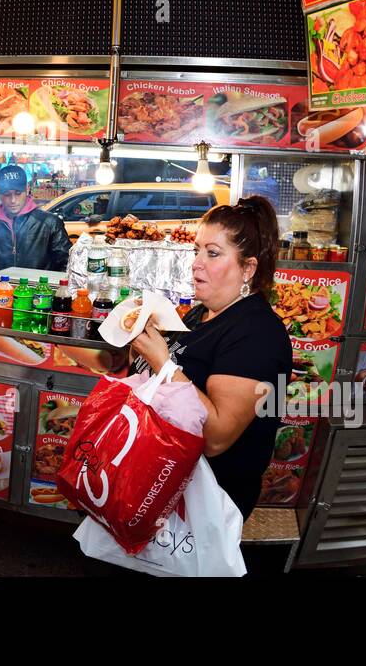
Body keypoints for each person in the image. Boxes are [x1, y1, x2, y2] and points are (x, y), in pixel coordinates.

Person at [128, 198, 292, 521]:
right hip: (161, 488)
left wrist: (163, 364)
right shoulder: (200, 313)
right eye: (197, 250)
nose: (196, 263)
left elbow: (216, 436)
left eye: (212, 253)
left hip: (206, 508)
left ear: (248, 268)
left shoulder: (257, 333)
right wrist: (141, 350)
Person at [0, 164, 72, 277]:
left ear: (27, 189)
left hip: (39, 293)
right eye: (7, 194)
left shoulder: (50, 223)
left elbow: (66, 266)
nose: (13, 200)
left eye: (18, 193)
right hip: (2, 292)